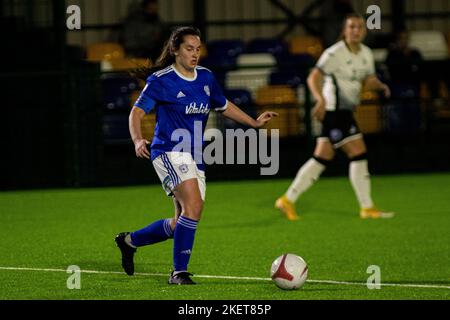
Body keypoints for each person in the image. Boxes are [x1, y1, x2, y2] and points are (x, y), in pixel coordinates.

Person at [115, 26, 278, 285]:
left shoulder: (206, 77)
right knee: (194, 206)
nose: (194, 54)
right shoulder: (161, 80)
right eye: (189, 48)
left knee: (182, 220)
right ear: (175, 50)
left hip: (195, 156)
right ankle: (178, 272)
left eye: (198, 49)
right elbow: (136, 113)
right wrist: (137, 140)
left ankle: (129, 241)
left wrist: (254, 123)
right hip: (168, 152)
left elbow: (223, 105)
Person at [275, 13, 394, 221]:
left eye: (359, 27)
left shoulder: (366, 53)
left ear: (364, 30)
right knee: (358, 152)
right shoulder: (334, 53)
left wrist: (379, 85)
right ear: (344, 31)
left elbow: (369, 78)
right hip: (333, 111)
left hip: (346, 111)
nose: (356, 31)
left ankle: (287, 200)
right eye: (352, 27)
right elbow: (314, 77)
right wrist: (319, 100)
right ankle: (367, 207)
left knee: (321, 157)